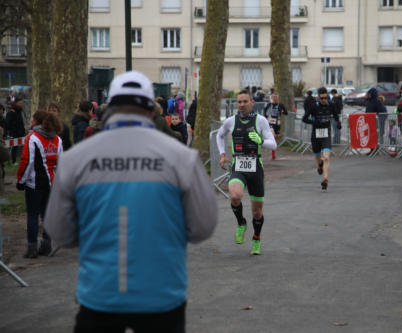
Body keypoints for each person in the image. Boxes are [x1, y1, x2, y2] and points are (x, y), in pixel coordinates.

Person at [44, 71, 217, 332]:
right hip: (161, 295)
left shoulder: (74, 159)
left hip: (99, 295)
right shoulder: (182, 157)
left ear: (109, 108)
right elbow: (203, 227)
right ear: (151, 110)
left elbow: (59, 232)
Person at [217, 90, 276, 255]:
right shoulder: (230, 121)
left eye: (244, 102)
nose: (241, 105)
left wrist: (261, 141)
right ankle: (241, 223)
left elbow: (274, 144)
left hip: (256, 167)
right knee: (235, 196)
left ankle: (256, 238)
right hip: (238, 165)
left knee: (257, 212)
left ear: (252, 103)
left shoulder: (261, 120)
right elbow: (219, 136)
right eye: (239, 102)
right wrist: (222, 154)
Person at [16, 110, 63, 258]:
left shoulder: (33, 138)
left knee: (32, 215)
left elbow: (27, 161)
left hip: (34, 183)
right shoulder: (58, 139)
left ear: (38, 122)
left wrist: (21, 181)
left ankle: (32, 248)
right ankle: (47, 244)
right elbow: (61, 162)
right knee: (47, 215)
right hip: (51, 182)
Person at [302, 87, 340, 190]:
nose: (324, 100)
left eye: (326, 98)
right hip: (316, 134)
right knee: (318, 156)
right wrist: (313, 122)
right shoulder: (313, 106)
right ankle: (319, 165)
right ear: (318, 97)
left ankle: (325, 180)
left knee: (326, 157)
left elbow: (336, 116)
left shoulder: (331, 105)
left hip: (326, 133)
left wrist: (338, 123)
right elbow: (304, 119)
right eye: (322, 98)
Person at [263, 92, 288, 160]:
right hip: (271, 123)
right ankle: (273, 154)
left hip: (278, 123)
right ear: (271, 98)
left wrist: (282, 111)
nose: (274, 99)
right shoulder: (269, 104)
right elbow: (264, 110)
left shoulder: (280, 105)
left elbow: (286, 113)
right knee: (273, 136)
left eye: (276, 97)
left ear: (278, 98)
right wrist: (265, 116)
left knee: (276, 137)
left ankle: (273, 150)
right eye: (273, 97)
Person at [5, 96, 26, 165]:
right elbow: (8, 123)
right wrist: (10, 131)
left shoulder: (20, 112)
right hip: (13, 133)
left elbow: (21, 123)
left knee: (16, 147)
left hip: (20, 133)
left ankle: (14, 160)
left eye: (21, 103)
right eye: (19, 103)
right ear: (16, 103)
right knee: (12, 147)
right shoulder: (11, 112)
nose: (21, 104)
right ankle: (11, 160)